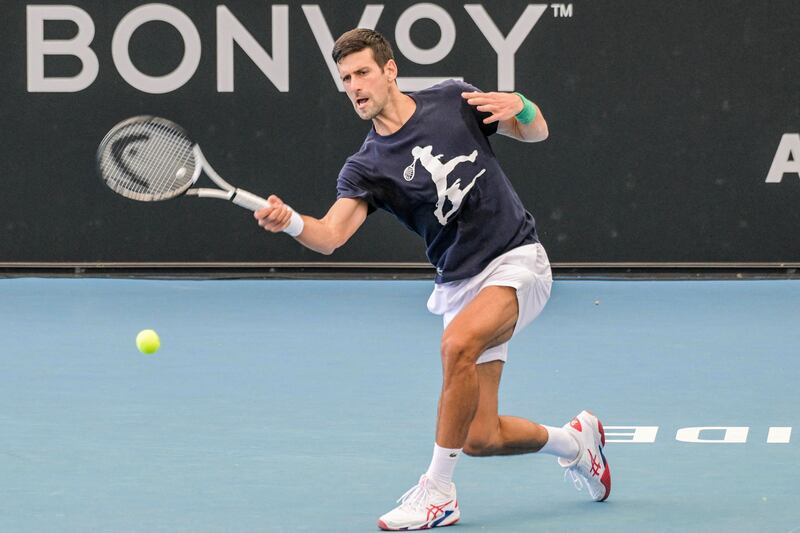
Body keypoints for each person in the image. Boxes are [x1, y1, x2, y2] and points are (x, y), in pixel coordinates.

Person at [254, 28, 610, 531]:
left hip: (517, 259)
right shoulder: (366, 167)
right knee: (480, 436)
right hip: (460, 284)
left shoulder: (451, 99)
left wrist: (523, 106)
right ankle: (576, 442)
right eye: (345, 79)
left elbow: (536, 131)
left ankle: (438, 492)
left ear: (390, 69)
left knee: (456, 345)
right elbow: (330, 235)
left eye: (362, 73)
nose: (354, 86)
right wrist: (290, 221)